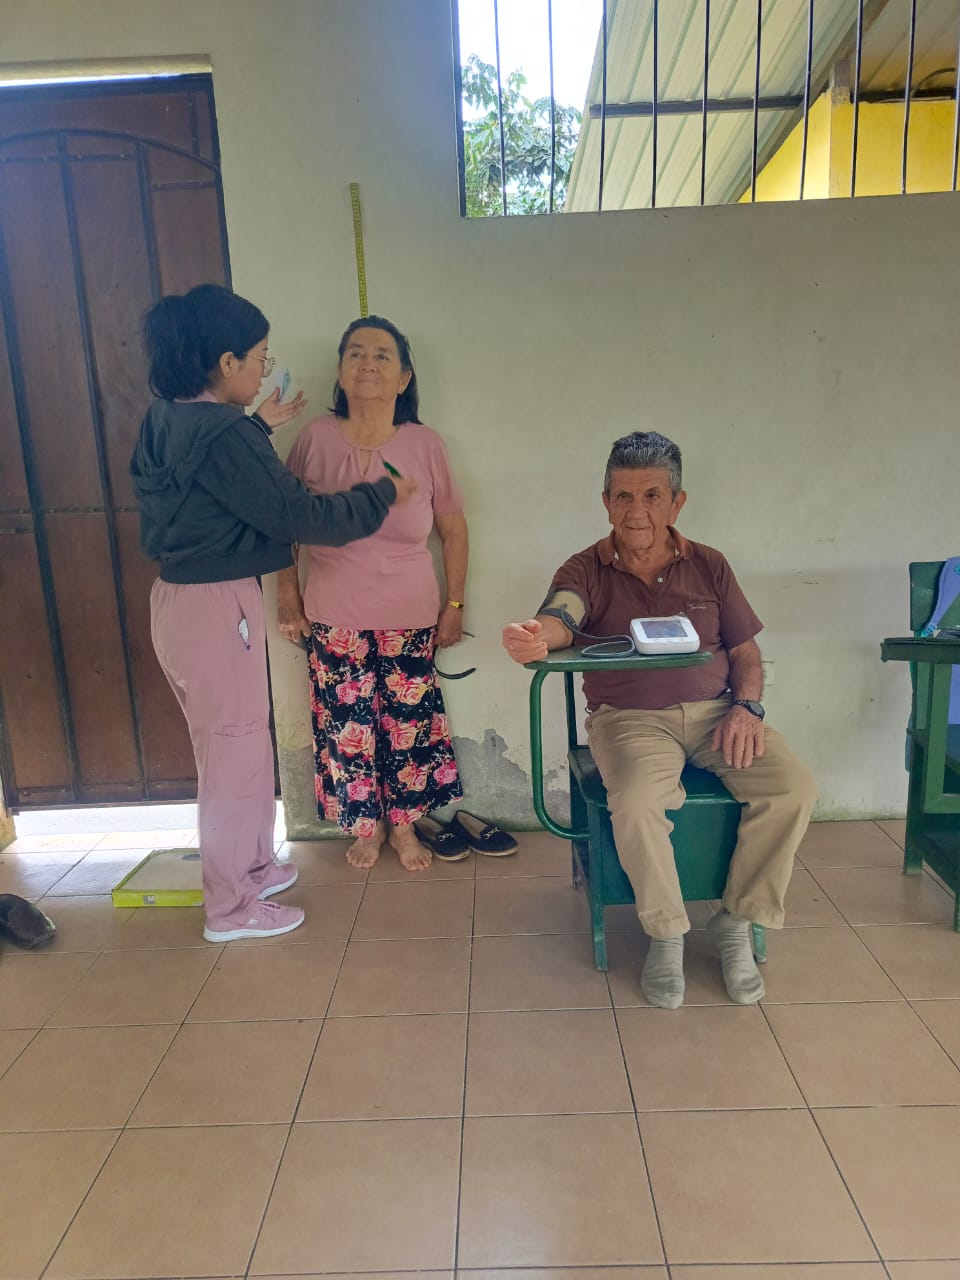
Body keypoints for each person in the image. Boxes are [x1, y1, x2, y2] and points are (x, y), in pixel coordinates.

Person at [131, 285, 413, 943]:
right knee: (232, 758)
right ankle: (231, 909)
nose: (264, 370)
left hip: (184, 601)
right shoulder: (225, 433)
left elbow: (200, 482)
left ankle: (254, 868)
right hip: (213, 607)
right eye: (259, 358)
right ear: (226, 362)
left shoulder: (169, 415)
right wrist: (381, 493)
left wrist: (257, 428)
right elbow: (296, 515)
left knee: (241, 746)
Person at [502, 431, 816, 1008]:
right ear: (606, 502)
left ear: (677, 502)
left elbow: (745, 653)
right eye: (623, 496)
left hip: (719, 712)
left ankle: (737, 920)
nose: (636, 510)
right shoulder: (586, 567)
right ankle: (667, 934)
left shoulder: (710, 565)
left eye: (652, 495)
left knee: (792, 787)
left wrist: (747, 708)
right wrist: (534, 635)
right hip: (630, 719)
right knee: (640, 800)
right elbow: (562, 615)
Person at [276, 316, 468, 872]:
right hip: (333, 614)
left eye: (383, 355)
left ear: (404, 378)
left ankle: (405, 827)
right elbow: (283, 527)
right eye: (356, 353)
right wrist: (287, 598)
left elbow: (453, 529)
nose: (368, 363)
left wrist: (455, 604)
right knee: (349, 729)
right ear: (340, 371)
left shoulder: (425, 444)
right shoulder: (314, 439)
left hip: (410, 616)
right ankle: (368, 827)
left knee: (408, 729)